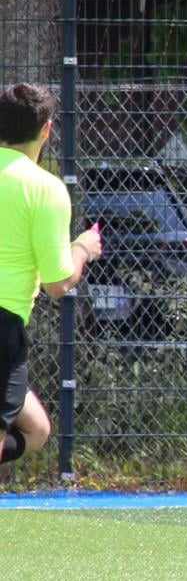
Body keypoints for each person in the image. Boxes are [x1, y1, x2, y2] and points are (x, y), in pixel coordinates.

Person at [1, 82, 103, 469]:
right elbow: (58, 284)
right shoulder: (45, 189)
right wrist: (83, 248)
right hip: (3, 323)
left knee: (38, 429)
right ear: (46, 130)